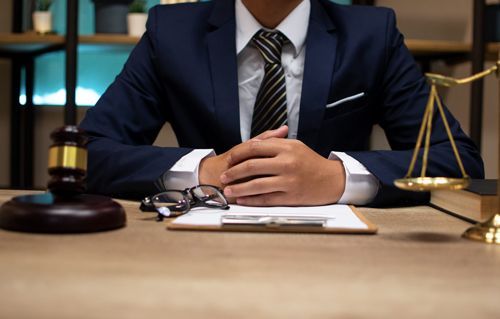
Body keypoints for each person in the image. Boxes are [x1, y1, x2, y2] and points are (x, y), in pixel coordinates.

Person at [79, 0, 484, 207]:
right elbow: (84, 154)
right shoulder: (172, 32)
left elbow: (458, 160)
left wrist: (336, 178)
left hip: (343, 260)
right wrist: (203, 171)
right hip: (198, 253)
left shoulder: (370, 35)